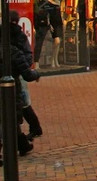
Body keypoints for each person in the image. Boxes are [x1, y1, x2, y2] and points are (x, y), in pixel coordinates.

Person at [1, 11, 42, 158]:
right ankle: (22, 143)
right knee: (11, 117)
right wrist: (36, 73)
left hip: (13, 85)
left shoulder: (15, 45)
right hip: (12, 87)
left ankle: (23, 143)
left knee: (10, 117)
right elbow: (27, 72)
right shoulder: (14, 50)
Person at [47, 0, 64, 68]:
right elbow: (47, 15)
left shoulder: (57, 2)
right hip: (53, 23)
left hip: (59, 23)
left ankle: (55, 59)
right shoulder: (48, 3)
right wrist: (49, 24)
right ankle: (52, 59)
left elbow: (60, 13)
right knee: (56, 41)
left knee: (59, 42)